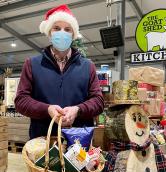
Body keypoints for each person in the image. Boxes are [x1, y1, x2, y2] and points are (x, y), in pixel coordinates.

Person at [15, 4, 104, 139]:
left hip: (79, 142)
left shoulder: (87, 66)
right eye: (57, 28)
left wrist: (78, 110)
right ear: (49, 33)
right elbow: (21, 100)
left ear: (73, 34)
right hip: (43, 141)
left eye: (67, 29)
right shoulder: (32, 64)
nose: (62, 32)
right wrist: (47, 109)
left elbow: (98, 101)